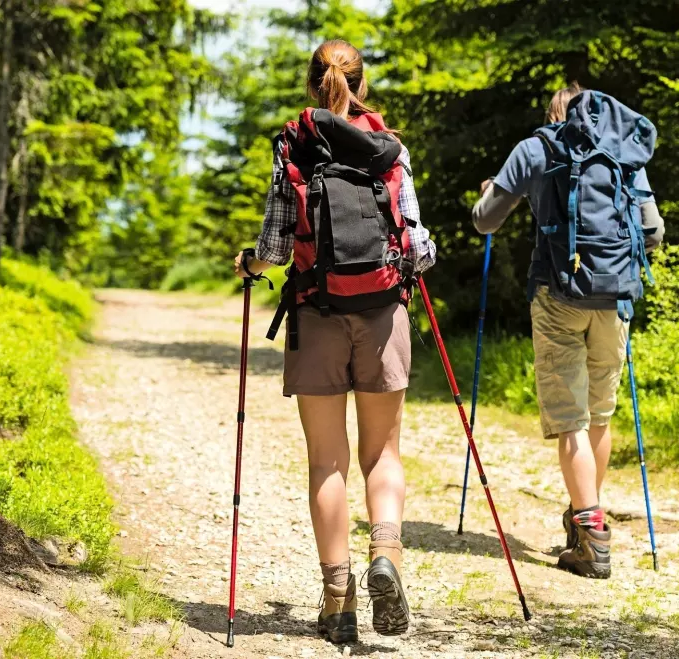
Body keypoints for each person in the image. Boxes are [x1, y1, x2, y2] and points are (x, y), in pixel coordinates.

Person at [232, 40, 436, 644]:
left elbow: (274, 244)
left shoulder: (292, 145)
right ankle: (387, 558)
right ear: (361, 84)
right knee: (383, 454)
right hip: (382, 314)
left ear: (311, 84)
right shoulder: (389, 147)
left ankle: (338, 599)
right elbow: (418, 244)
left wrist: (251, 263)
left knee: (328, 460)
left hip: (315, 312)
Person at [471, 84, 665, 579]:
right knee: (599, 412)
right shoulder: (625, 153)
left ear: (554, 113)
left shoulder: (536, 148)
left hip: (557, 293)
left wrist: (488, 195)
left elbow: (485, 222)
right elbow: (654, 232)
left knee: (570, 419)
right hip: (615, 297)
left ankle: (592, 535)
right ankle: (586, 514)